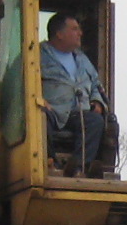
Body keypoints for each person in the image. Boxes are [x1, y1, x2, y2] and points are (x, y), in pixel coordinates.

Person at [38, 12, 119, 177]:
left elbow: (96, 84)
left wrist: (97, 102)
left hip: (77, 113)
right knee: (39, 118)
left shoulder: (82, 59)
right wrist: (37, 99)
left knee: (95, 121)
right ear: (59, 34)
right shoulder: (37, 55)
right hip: (52, 111)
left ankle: (79, 167)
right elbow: (21, 81)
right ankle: (49, 162)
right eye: (75, 29)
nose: (80, 33)